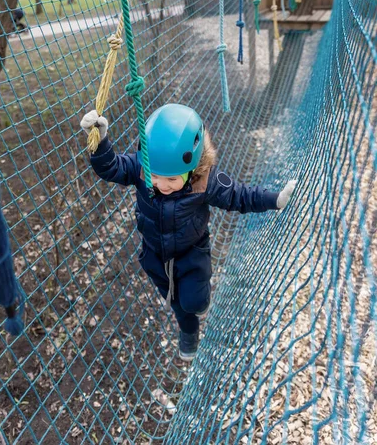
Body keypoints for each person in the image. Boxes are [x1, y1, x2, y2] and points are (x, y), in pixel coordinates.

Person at [81, 104, 297, 361]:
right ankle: (189, 332)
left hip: (191, 252)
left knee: (193, 301)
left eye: (172, 180)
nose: (162, 185)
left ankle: (198, 301)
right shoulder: (143, 167)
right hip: (155, 253)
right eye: (156, 178)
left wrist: (275, 200)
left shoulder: (205, 181)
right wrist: (100, 142)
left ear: (191, 168)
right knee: (176, 303)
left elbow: (241, 196)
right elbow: (111, 168)